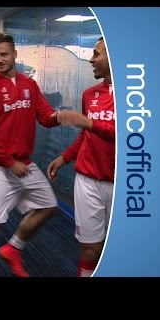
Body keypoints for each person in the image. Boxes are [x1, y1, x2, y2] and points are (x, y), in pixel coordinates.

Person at [0, 32, 60, 278]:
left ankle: (13, 248)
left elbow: (45, 117)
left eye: (5, 54)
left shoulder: (29, 85)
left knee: (48, 206)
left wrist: (60, 117)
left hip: (23, 163)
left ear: (15, 54)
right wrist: (8, 162)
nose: (0, 60)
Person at [46, 37, 114, 277]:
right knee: (90, 250)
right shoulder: (90, 94)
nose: (91, 59)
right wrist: (64, 157)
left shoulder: (138, 97)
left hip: (124, 184)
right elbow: (87, 136)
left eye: (96, 54)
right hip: (88, 181)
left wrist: (88, 122)